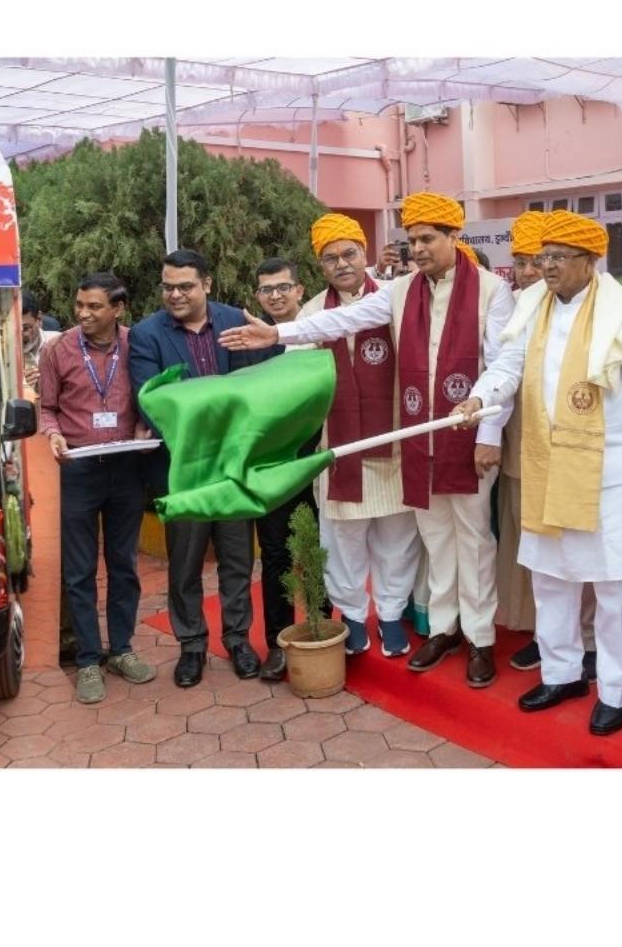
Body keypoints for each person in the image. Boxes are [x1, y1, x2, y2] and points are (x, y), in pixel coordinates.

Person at [221, 191, 517, 688]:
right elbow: (342, 318)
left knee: (474, 541)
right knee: (435, 541)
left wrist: (487, 422)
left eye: (428, 238)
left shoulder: (492, 290)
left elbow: (506, 361)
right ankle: (444, 629)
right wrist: (280, 336)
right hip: (420, 439)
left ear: (454, 237)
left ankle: (481, 639)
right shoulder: (402, 291)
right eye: (412, 239)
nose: (418, 248)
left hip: (465, 439)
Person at [454, 211, 622, 733]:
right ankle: (562, 671)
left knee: (614, 588)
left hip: (611, 473)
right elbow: (508, 365)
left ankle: (617, 691)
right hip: (548, 464)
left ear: (590, 261)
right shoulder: (532, 305)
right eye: (541, 257)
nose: (544, 267)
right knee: (550, 580)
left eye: (556, 257)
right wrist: (480, 397)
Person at [128, 248, 280, 688]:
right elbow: (153, 401)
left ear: (207, 285)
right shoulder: (147, 335)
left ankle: (237, 640)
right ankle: (191, 645)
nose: (174, 294)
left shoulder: (237, 322)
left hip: (234, 467)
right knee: (185, 563)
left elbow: (258, 389)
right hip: (185, 470)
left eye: (185, 286)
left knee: (236, 559)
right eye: (168, 286)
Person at [295, 216, 422, 662]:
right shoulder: (311, 313)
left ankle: (389, 615)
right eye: (331, 257)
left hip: (394, 442)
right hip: (339, 448)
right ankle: (352, 616)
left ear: (365, 254)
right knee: (341, 540)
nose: (342, 263)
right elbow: (300, 382)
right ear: (321, 266)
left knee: (397, 536)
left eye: (349, 253)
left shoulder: (397, 298)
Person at [39, 272, 155, 705]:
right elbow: (47, 408)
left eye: (94, 307)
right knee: (80, 569)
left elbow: (151, 397)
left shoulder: (136, 345)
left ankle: (121, 649)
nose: (84, 314)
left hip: (126, 467)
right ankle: (89, 659)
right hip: (78, 470)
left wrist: (147, 426)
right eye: (79, 305)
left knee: (124, 563)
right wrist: (52, 434)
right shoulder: (59, 349)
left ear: (118, 309)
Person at [249, 257, 328, 680]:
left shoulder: (324, 331)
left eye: (283, 288)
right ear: (258, 297)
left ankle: (325, 628)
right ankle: (279, 643)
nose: (276, 296)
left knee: (321, 551)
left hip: (319, 462)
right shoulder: (248, 343)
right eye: (267, 290)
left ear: (300, 290)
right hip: (272, 467)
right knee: (277, 555)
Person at [497, 211, 547, 666]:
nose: (528, 270)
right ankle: (533, 624)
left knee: (554, 537)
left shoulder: (570, 303)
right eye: (520, 260)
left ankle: (572, 635)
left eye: (536, 260)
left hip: (560, 444)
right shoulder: (505, 302)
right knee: (520, 532)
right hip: (513, 438)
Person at [21, 292, 62, 393]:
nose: (20, 335)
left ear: (39, 319)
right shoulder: (0, 355)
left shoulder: (61, 343)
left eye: (25, 328)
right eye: (13, 330)